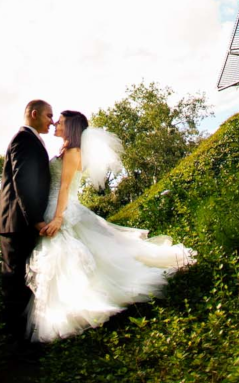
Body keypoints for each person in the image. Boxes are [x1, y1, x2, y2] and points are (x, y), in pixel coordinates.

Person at [26, 109, 196, 343]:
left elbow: (65, 187)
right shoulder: (67, 150)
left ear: (72, 127)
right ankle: (67, 308)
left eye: (61, 121)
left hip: (61, 208)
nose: (55, 123)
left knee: (65, 256)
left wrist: (57, 218)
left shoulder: (73, 151)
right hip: (55, 206)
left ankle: (79, 309)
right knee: (66, 257)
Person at [0, 98, 53, 348]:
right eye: (48, 115)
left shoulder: (31, 140)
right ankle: (14, 343)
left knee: (23, 280)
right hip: (18, 224)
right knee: (15, 282)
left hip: (20, 224)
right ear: (33, 114)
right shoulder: (23, 140)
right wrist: (37, 221)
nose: (52, 121)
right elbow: (24, 184)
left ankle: (23, 338)